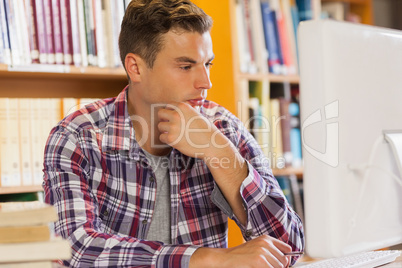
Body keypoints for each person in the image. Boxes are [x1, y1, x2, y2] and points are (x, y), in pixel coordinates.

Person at [43, 0, 305, 267]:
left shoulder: (223, 128)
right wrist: (206, 259)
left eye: (208, 64)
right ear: (135, 68)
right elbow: (76, 249)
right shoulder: (77, 137)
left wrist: (219, 152)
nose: (206, 82)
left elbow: (289, 249)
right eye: (185, 66)